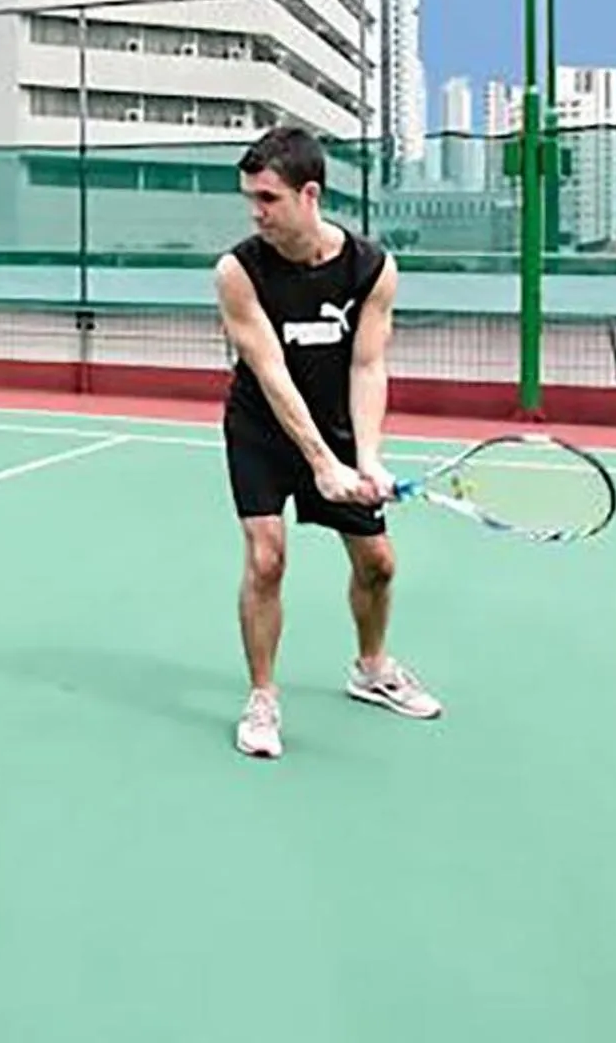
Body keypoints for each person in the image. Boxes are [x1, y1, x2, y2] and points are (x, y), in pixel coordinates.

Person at [215, 125, 440, 760]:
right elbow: (270, 371)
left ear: (308, 194)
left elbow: (368, 367)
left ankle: (371, 669)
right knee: (266, 559)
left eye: (267, 199)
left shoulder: (371, 268)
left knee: (378, 564)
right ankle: (263, 696)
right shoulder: (238, 271)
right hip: (261, 426)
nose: (255, 212)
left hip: (339, 426)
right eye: (250, 199)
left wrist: (364, 458)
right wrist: (320, 463)